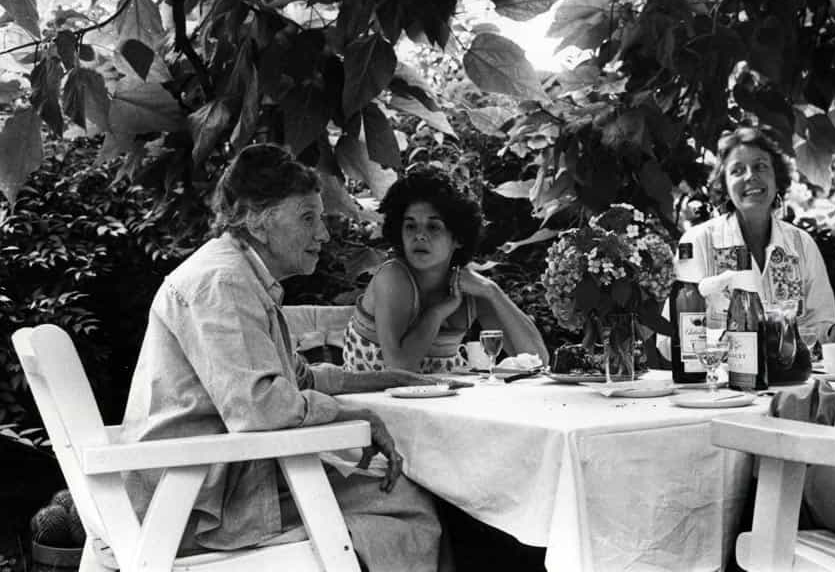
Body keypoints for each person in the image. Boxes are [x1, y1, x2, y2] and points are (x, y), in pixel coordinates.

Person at [119, 144, 444, 571]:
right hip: (196, 504)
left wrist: (386, 380)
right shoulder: (222, 282)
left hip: (211, 481)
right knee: (405, 502)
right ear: (258, 219)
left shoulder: (240, 274)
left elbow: (296, 379)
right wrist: (355, 416)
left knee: (397, 493)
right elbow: (261, 407)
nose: (323, 235)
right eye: (308, 217)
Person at [659, 125, 835, 361]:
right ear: (725, 185)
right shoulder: (697, 242)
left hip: (789, 383)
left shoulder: (802, 244)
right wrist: (727, 344)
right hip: (723, 391)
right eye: (737, 170)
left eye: (761, 166)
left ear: (777, 177)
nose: (751, 176)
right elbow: (669, 342)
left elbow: (819, 325)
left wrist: (834, 334)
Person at [343, 170, 549, 375]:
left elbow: (536, 361)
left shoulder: (469, 289)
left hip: (436, 402)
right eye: (410, 226)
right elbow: (400, 369)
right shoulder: (393, 277)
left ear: (458, 238)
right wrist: (438, 312)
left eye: (433, 227)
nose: (419, 236)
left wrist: (492, 291)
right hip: (368, 402)